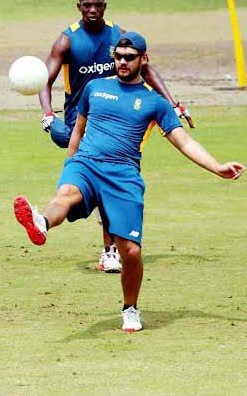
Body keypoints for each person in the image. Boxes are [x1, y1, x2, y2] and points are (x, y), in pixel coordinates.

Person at [15, 32, 244, 332]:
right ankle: (41, 223)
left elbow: (184, 142)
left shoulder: (154, 102)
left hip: (123, 175)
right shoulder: (94, 89)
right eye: (118, 56)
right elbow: (78, 131)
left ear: (143, 59)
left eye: (129, 57)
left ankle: (130, 308)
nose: (121, 62)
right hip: (86, 163)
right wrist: (70, 163)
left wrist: (217, 167)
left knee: (131, 251)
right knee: (65, 193)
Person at [38, 0, 193, 273]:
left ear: (105, 6)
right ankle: (66, 220)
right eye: (87, 6)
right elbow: (43, 80)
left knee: (107, 180)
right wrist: (48, 114)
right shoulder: (67, 39)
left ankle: (108, 247)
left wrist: (174, 105)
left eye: (97, 5)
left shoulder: (118, 36)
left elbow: (147, 69)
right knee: (79, 161)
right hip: (81, 118)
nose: (92, 10)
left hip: (121, 118)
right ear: (79, 7)